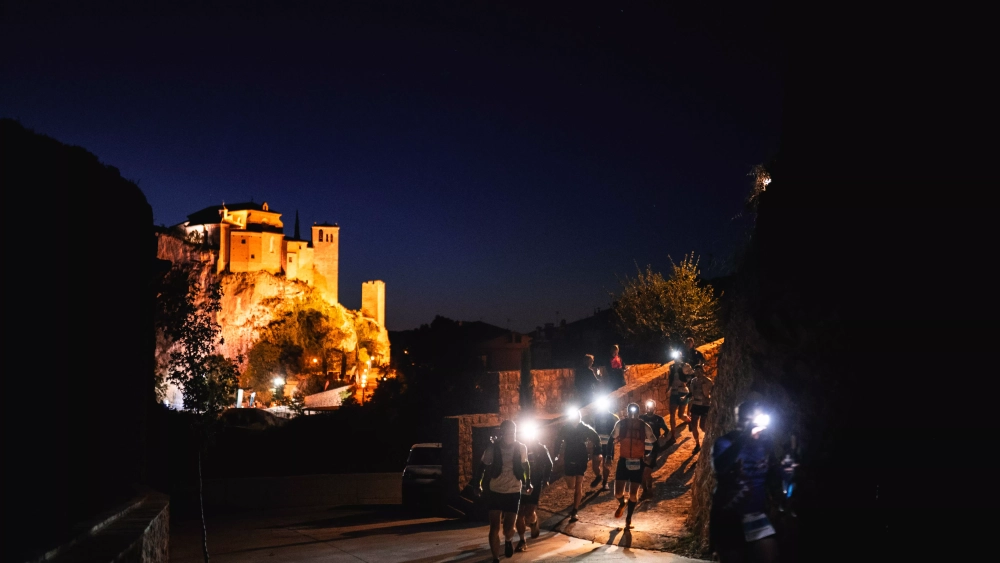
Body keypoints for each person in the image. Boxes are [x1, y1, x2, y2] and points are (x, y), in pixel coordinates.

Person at [710, 400, 782, 563]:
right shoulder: (724, 442)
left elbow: (772, 472)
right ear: (740, 419)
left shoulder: (765, 444)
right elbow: (720, 466)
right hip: (728, 516)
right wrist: (744, 437)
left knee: (770, 556)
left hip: (756, 515)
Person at [478, 419, 532, 563]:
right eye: (508, 432)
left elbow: (525, 465)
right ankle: (495, 558)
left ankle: (508, 539)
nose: (511, 435)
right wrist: (478, 483)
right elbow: (482, 466)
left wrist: (528, 481)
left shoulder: (521, 447)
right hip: (495, 490)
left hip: (513, 491)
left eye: (513, 432)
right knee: (494, 527)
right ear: (502, 432)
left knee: (508, 528)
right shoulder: (492, 448)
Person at [608, 402, 655, 543]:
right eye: (630, 413)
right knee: (618, 493)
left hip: (638, 461)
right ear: (627, 413)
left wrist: (650, 456)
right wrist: (609, 456)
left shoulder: (644, 426)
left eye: (635, 413)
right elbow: (611, 439)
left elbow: (655, 443)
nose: (633, 416)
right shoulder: (620, 424)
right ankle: (622, 503)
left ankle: (628, 518)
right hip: (623, 461)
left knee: (634, 494)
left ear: (639, 414)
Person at [552, 408, 600, 521]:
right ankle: (575, 507)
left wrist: (597, 452)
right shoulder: (565, 428)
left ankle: (575, 510)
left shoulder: (585, 428)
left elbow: (596, 438)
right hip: (570, 456)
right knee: (571, 485)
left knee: (579, 483)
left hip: (581, 457)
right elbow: (558, 441)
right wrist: (556, 454)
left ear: (579, 417)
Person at [515, 427, 553, 552]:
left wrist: (546, 478)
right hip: (519, 484)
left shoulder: (540, 448)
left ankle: (533, 522)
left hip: (534, 483)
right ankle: (522, 540)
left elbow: (549, 463)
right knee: (519, 513)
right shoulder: (518, 448)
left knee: (529, 513)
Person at [638, 399, 672, 500]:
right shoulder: (641, 418)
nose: (649, 409)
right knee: (641, 472)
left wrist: (663, 437)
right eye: (648, 407)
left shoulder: (659, 419)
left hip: (653, 449)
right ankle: (645, 491)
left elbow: (666, 430)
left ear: (654, 408)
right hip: (641, 449)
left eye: (651, 407)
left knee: (646, 472)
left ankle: (649, 490)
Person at [589, 400, 620, 491]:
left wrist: (615, 440)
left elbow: (618, 430)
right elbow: (591, 428)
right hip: (598, 444)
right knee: (595, 465)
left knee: (606, 464)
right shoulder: (595, 416)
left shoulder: (614, 417)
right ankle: (599, 476)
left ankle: (605, 482)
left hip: (608, 445)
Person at [687, 365, 715, 455]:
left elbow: (713, 393)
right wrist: (688, 408)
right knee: (693, 425)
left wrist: (711, 402)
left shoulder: (708, 381)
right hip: (695, 404)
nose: (698, 373)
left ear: (702, 371)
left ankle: (710, 440)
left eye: (699, 371)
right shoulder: (693, 381)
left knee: (702, 426)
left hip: (704, 405)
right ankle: (697, 444)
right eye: (696, 371)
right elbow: (691, 394)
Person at [668, 362, 693, 436]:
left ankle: (689, 421)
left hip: (683, 392)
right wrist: (669, 389)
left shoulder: (684, 366)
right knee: (672, 414)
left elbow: (690, 376)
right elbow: (671, 380)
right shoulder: (672, 368)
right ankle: (673, 435)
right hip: (674, 392)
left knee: (680, 415)